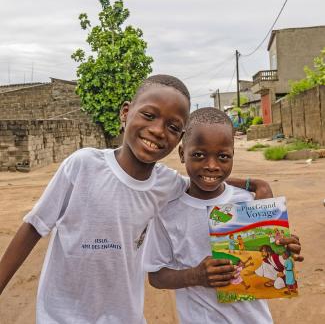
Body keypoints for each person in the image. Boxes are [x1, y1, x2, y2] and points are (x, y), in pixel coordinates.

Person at [0, 75, 274, 323]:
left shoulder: (166, 183)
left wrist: (255, 187)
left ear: (179, 137)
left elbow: (203, 179)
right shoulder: (83, 165)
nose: (157, 130)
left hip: (124, 317)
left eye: (172, 126)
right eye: (149, 115)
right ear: (126, 112)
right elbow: (34, 226)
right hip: (61, 315)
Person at [144, 107, 303, 324]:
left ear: (233, 155)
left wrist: (285, 249)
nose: (211, 166)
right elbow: (156, 276)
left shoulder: (249, 201)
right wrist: (196, 276)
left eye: (223, 156)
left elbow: (270, 255)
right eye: (199, 155)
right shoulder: (166, 212)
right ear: (182, 154)